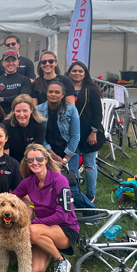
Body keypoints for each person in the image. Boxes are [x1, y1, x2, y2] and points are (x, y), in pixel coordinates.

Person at [12, 144, 79, 272]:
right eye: (30, 160)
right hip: (43, 230)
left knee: (31, 230)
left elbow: (62, 215)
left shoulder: (60, 180)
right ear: (26, 163)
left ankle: (60, 260)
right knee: (34, 271)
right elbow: (13, 198)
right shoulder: (28, 182)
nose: (35, 163)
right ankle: (49, 247)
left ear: (46, 159)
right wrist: (29, 205)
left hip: (65, 228)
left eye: (39, 159)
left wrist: (35, 221)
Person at [36, 80, 92, 209]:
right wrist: (53, 156)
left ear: (63, 95)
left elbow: (75, 136)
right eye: (50, 91)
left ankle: (92, 213)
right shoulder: (38, 110)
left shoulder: (71, 110)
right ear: (46, 93)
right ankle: (59, 212)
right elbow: (41, 137)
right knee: (48, 187)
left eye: (57, 92)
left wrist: (65, 159)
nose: (53, 94)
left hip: (69, 152)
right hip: (48, 153)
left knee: (71, 187)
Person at [67, 61, 104, 203]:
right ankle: (75, 193)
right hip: (72, 135)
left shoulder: (91, 90)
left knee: (89, 164)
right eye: (74, 71)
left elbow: (98, 113)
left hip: (89, 133)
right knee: (72, 166)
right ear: (69, 73)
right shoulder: (65, 88)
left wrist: (93, 132)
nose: (77, 73)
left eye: (80, 71)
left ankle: (91, 194)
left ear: (85, 74)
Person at [4, 94, 46, 163]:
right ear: (13, 111)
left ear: (31, 110)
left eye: (25, 111)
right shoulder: (6, 125)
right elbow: (5, 151)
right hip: (12, 162)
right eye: (18, 111)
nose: (21, 114)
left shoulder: (39, 126)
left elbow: (37, 151)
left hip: (31, 161)